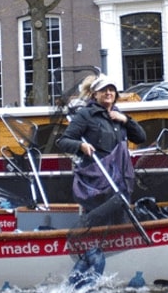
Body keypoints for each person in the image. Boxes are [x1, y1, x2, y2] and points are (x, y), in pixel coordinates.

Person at [56, 74, 146, 213]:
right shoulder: (85, 115)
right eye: (104, 90)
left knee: (120, 219)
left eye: (111, 90)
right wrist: (81, 146)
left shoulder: (118, 115)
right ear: (95, 95)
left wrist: (126, 120)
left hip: (120, 179)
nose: (108, 93)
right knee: (99, 219)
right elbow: (63, 141)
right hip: (97, 181)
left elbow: (141, 137)